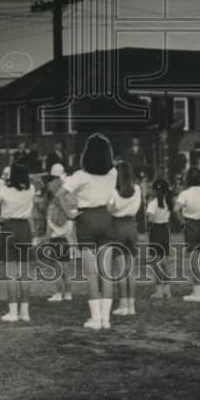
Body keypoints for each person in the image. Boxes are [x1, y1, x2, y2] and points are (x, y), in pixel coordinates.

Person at [55, 133, 118, 331]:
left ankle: (95, 319)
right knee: (106, 273)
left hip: (86, 219)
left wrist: (70, 215)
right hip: (105, 218)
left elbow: (60, 195)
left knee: (91, 274)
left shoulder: (80, 176)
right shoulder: (113, 173)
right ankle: (106, 320)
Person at [0, 162, 35, 322]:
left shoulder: (4, 190)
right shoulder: (31, 189)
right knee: (24, 274)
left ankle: (13, 312)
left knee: (11, 274)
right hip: (24, 228)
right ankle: (25, 312)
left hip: (8, 227)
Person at [107, 160, 142, 317]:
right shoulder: (137, 189)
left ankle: (123, 304)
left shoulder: (113, 191)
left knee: (120, 270)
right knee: (131, 270)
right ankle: (131, 305)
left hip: (118, 227)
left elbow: (110, 209)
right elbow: (137, 208)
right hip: (132, 227)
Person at [175, 167, 200, 303]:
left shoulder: (184, 193)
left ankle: (197, 292)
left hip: (190, 225)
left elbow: (176, 209)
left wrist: (183, 223)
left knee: (194, 260)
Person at [45, 164, 73, 303]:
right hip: (65, 241)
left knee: (56, 270)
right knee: (66, 270)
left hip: (55, 241)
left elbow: (49, 229)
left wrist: (45, 241)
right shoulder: (67, 211)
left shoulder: (51, 211)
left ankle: (57, 294)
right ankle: (68, 293)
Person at [146, 178, 173, 299]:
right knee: (165, 261)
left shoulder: (153, 203)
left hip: (156, 231)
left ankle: (159, 291)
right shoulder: (169, 202)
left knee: (156, 262)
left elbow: (150, 219)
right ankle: (167, 290)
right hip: (165, 230)